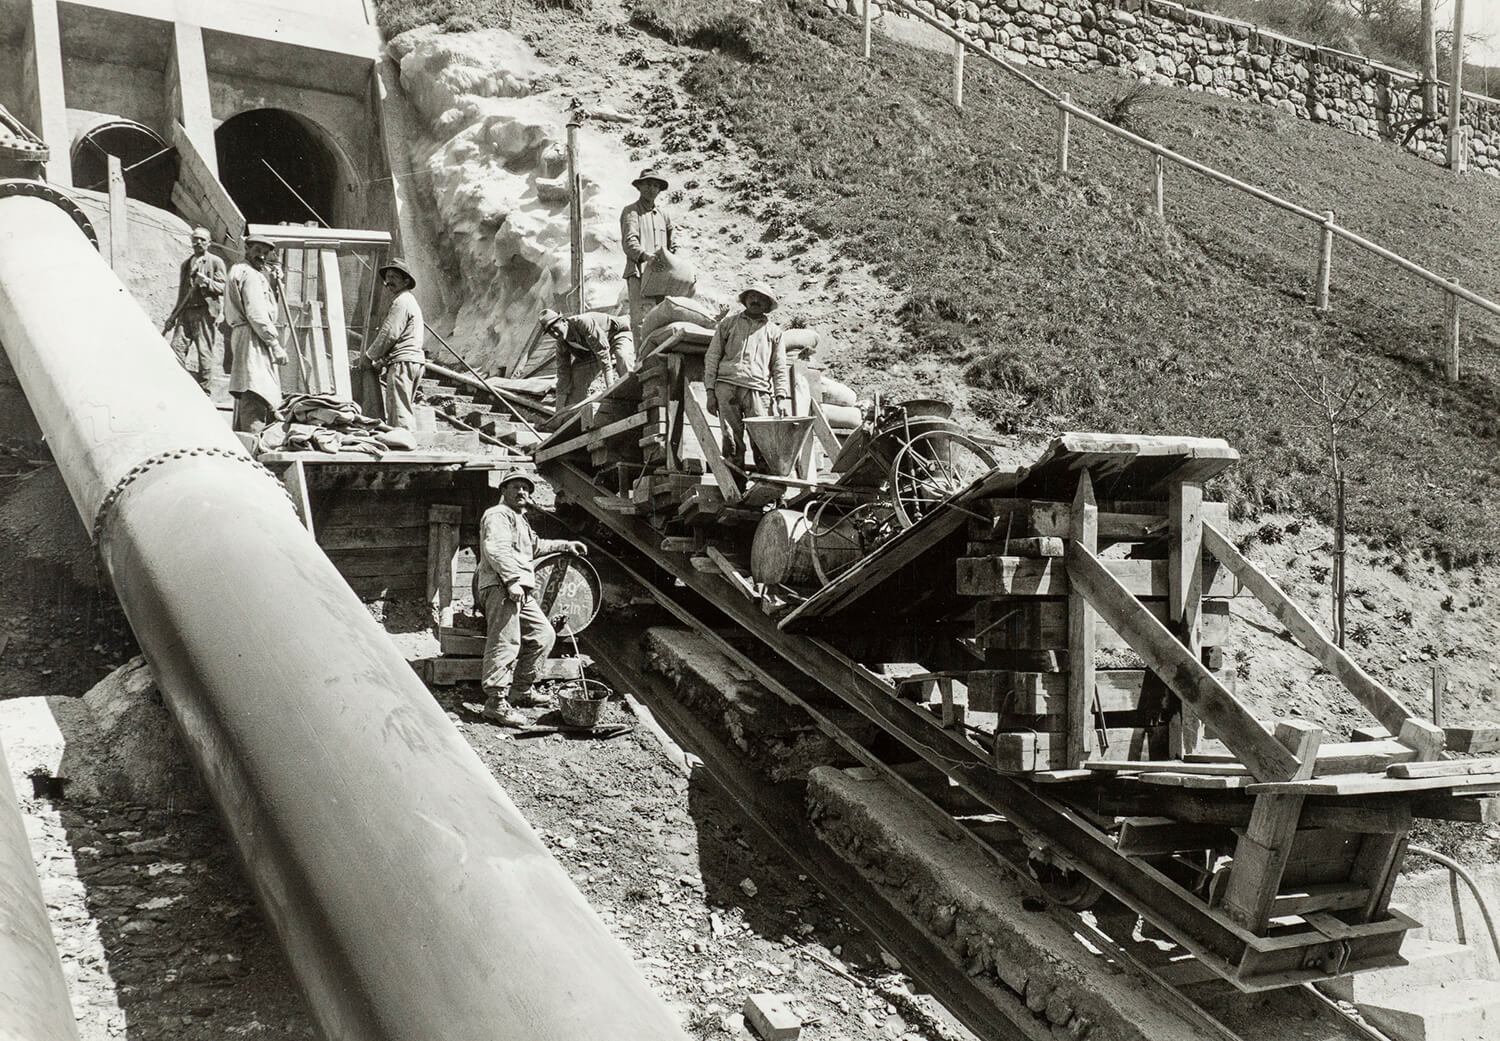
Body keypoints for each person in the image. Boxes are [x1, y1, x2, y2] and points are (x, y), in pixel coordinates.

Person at [475, 471, 588, 726]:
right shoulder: (498, 515)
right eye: (515, 487)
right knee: (505, 642)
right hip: (502, 586)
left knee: (543, 635)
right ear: (503, 489)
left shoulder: (519, 519)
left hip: (519, 590)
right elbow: (496, 548)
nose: (522, 492)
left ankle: (521, 691)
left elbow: (535, 546)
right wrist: (512, 580)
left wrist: (564, 544)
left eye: (526, 488)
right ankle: (495, 703)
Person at [704, 283, 791, 473]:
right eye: (752, 296)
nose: (755, 300)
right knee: (731, 440)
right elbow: (712, 357)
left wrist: (781, 398)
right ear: (745, 300)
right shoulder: (727, 325)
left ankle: (766, 490)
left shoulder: (774, 332)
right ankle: (735, 486)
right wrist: (710, 391)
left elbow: (779, 367)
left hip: (759, 391)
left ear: (767, 305)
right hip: (727, 387)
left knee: (763, 441)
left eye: (761, 298)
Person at [223, 234, 287, 433]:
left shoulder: (243, 271)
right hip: (253, 336)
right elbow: (257, 313)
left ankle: (248, 441)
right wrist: (275, 345)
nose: (262, 256)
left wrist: (274, 285)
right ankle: (254, 446)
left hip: (247, 335)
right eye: (257, 250)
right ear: (247, 249)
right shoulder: (249, 274)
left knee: (252, 388)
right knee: (256, 391)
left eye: (265, 253)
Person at [162, 227, 227, 393]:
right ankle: (177, 387)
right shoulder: (186, 264)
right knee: (176, 348)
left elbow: (223, 287)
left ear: (209, 243)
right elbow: (182, 293)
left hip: (204, 312)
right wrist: (172, 317)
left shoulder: (216, 262)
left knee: (204, 352)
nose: (198, 242)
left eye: (202, 240)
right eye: (195, 239)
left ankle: (205, 391)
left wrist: (205, 281)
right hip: (185, 312)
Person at [365, 258, 426, 428]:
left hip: (403, 363)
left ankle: (403, 446)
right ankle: (404, 442)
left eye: (394, 277)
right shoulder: (408, 301)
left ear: (406, 281)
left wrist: (369, 356)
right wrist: (382, 361)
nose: (389, 281)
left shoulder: (401, 302)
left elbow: (389, 333)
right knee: (403, 407)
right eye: (388, 277)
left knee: (399, 412)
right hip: (412, 360)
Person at [539, 308, 636, 410]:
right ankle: (573, 413)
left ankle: (633, 395)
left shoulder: (583, 323)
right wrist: (558, 411)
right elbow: (563, 373)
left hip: (616, 335)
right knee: (577, 377)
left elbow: (602, 354)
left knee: (622, 356)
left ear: (563, 321)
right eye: (550, 332)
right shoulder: (561, 343)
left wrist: (610, 390)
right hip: (592, 350)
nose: (555, 334)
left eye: (555, 328)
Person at [619, 168, 674, 340]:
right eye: (648, 184)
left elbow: (673, 244)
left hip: (661, 274)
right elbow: (629, 242)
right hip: (640, 273)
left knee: (663, 318)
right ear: (640, 187)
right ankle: (641, 362)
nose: (652, 189)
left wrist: (673, 262)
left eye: (656, 186)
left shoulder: (663, 215)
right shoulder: (631, 212)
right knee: (642, 320)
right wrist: (646, 256)